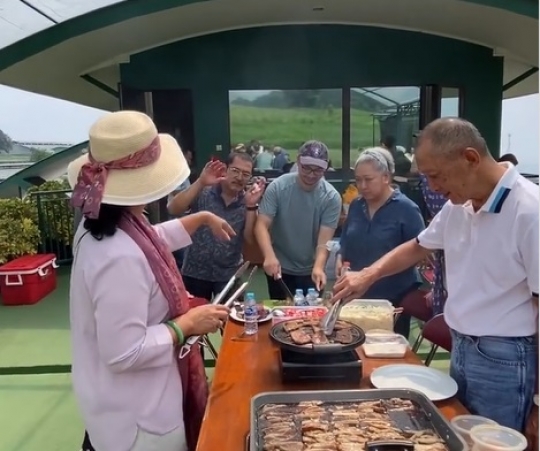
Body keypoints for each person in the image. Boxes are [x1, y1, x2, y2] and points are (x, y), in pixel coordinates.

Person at [333, 117, 538, 432]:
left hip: (506, 358)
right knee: (459, 432)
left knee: (495, 439)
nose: (433, 188)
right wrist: (368, 275)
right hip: (462, 345)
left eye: (436, 176)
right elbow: (417, 246)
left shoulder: (529, 210)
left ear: (470, 158)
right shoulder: (458, 205)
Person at [68, 111, 234, 451]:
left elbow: (150, 240)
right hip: (139, 419)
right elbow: (123, 353)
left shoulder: (102, 223)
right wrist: (186, 324)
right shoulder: (118, 258)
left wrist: (200, 218)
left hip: (111, 401)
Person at [337, 147, 425, 338]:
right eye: (358, 180)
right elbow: (345, 240)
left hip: (393, 299)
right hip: (357, 298)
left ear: (386, 177)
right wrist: (340, 258)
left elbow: (418, 252)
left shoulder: (406, 209)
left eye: (368, 179)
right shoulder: (356, 206)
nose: (362, 185)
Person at [167, 152, 265, 300]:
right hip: (195, 272)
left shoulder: (248, 200)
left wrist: (251, 206)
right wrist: (200, 181)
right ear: (225, 169)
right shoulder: (204, 192)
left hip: (229, 275)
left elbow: (249, 239)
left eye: (246, 174)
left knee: (231, 320)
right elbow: (173, 209)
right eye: (235, 171)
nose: (239, 177)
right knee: (194, 319)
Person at [255, 140, 342, 298]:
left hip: (311, 269)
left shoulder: (331, 197)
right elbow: (261, 225)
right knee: (280, 313)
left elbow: (325, 240)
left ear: (326, 168)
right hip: (279, 266)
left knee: (309, 318)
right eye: (306, 168)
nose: (311, 175)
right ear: (298, 161)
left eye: (318, 170)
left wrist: (319, 266)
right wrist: (269, 256)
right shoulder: (278, 187)